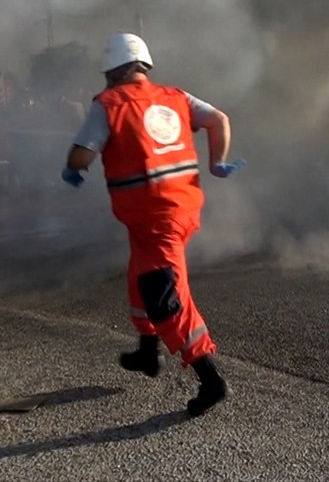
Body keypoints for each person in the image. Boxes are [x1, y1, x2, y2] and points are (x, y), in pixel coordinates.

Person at [63, 32, 243, 417]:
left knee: (166, 298)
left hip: (156, 218)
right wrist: (216, 163)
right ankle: (148, 351)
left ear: (111, 72)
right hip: (178, 209)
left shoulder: (108, 104)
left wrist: (72, 168)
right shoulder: (176, 97)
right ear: (144, 66)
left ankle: (210, 378)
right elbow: (219, 120)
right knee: (138, 278)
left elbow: (81, 155)